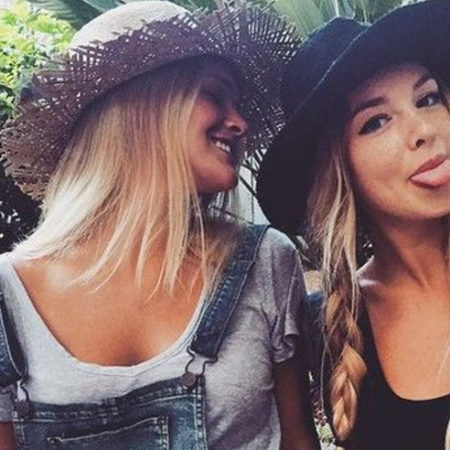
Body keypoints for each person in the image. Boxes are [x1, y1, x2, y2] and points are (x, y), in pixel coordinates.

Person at [0, 2, 320, 449]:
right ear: (138, 108)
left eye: (238, 103)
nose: (240, 122)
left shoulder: (264, 262)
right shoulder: (8, 296)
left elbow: (297, 438)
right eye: (215, 94)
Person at [256, 1, 450, 449]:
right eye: (376, 121)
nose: (423, 129)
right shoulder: (334, 328)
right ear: (337, 170)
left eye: (427, 98)